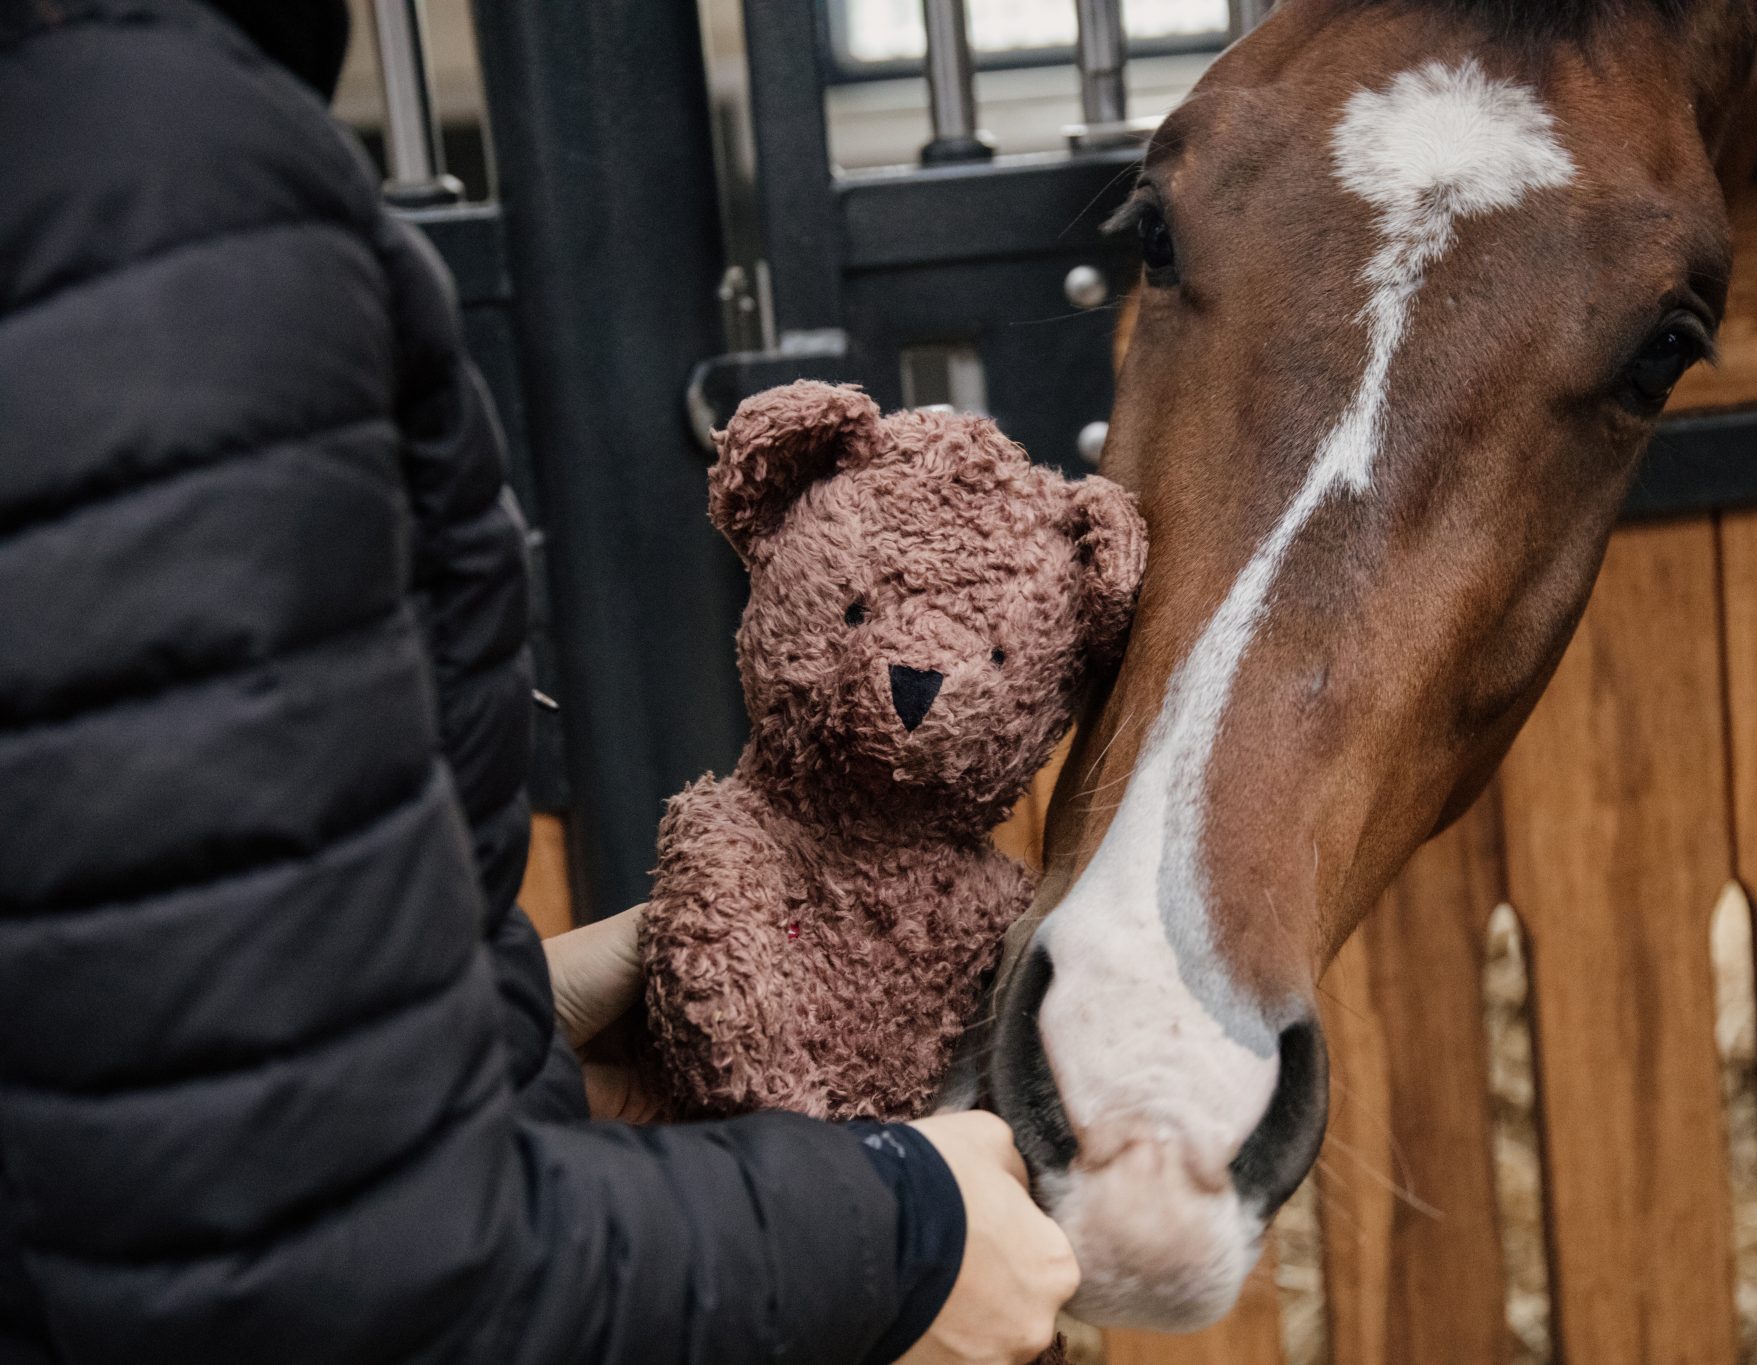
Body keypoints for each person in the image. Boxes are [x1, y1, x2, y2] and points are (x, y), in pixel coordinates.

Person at [0, 1, 1077, 1362]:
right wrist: (897, 1235)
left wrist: (497, 1023)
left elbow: (135, 1069)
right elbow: (311, 1266)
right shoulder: (146, 184)